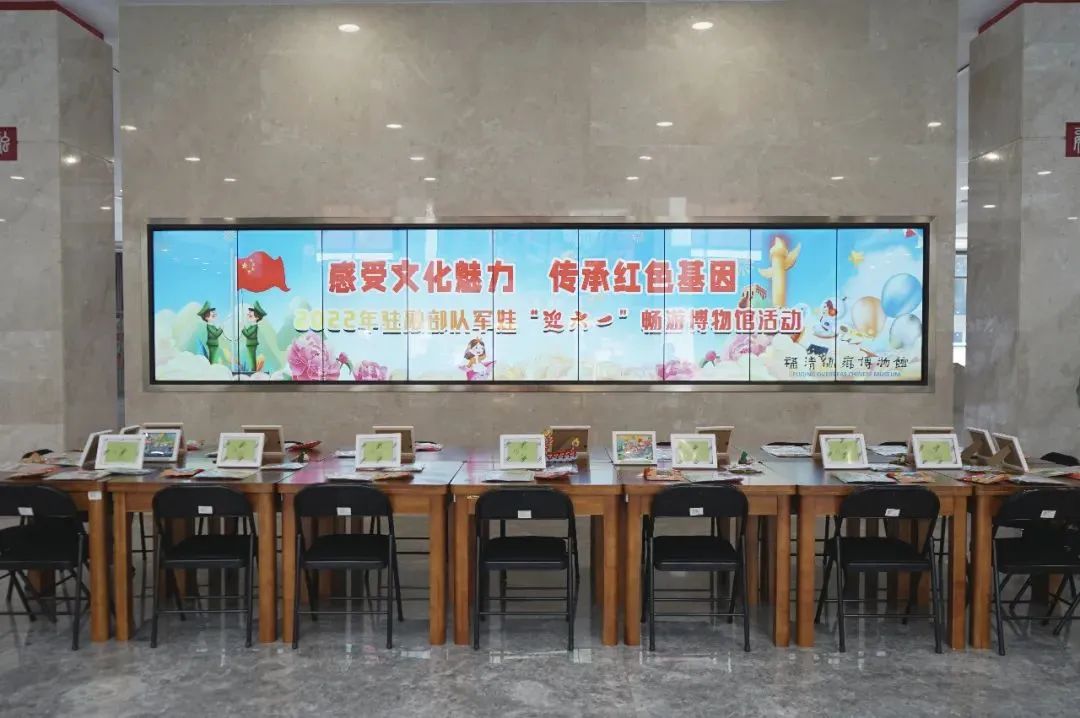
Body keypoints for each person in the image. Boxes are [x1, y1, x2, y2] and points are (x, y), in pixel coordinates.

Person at [241, 301, 267, 372]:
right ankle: (253, 369)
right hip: (250, 344)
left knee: (252, 358)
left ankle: (253, 370)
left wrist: (242, 328)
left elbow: (247, 334)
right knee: (251, 357)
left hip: (252, 344)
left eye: (250, 316)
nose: (248, 317)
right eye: (248, 315)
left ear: (257, 318)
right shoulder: (252, 326)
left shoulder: (254, 327)